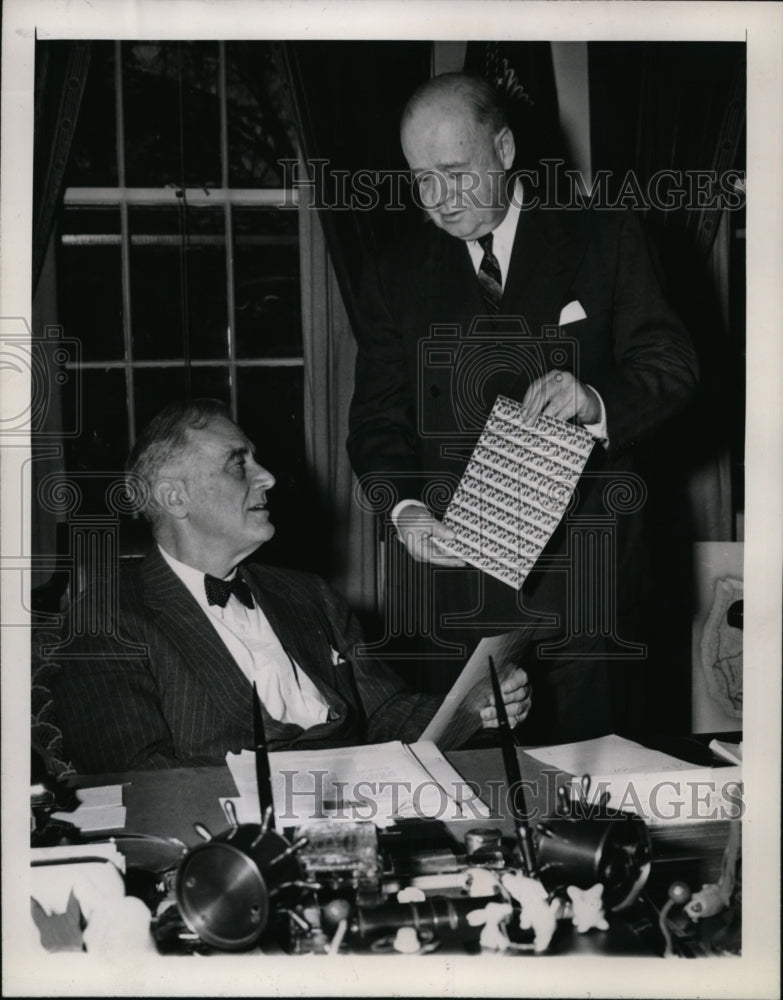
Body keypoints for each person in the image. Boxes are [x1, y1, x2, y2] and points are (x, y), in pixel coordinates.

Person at [347, 72, 699, 741]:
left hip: (591, 591)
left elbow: (671, 365)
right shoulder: (392, 274)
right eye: (421, 179)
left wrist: (593, 399)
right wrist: (404, 508)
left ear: (504, 150)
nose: (439, 201)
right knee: (476, 810)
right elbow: (376, 420)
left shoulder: (606, 237)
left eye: (453, 172)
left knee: (598, 803)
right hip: (459, 598)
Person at [51, 399, 531, 773]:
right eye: (238, 464)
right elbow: (140, 776)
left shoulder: (308, 594)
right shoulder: (110, 617)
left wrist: (474, 710)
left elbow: (385, 709)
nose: (269, 477)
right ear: (175, 496)